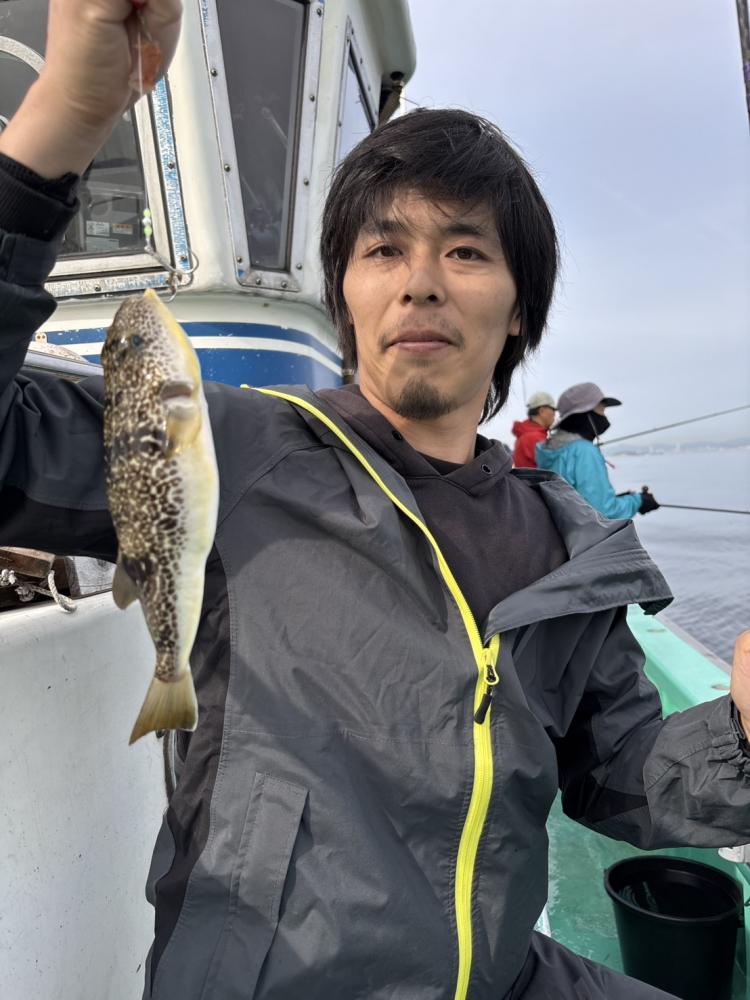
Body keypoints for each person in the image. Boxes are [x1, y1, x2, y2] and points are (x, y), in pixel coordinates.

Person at [1, 5, 749, 999]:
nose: (421, 284)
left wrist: (741, 734)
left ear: (519, 309)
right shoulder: (232, 447)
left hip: (499, 972)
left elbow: (621, 773)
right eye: (384, 251)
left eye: (467, 252)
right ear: (346, 294)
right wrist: (65, 110)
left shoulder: (573, 546)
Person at [536, 381, 660, 519]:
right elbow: (603, 513)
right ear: (587, 414)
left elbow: (576, 499)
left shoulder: (551, 450)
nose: (605, 417)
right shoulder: (584, 452)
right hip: (582, 533)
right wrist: (639, 501)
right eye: (601, 410)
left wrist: (615, 498)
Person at [511, 390, 556, 467]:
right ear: (541, 411)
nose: (554, 414)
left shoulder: (526, 434)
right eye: (553, 410)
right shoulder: (534, 438)